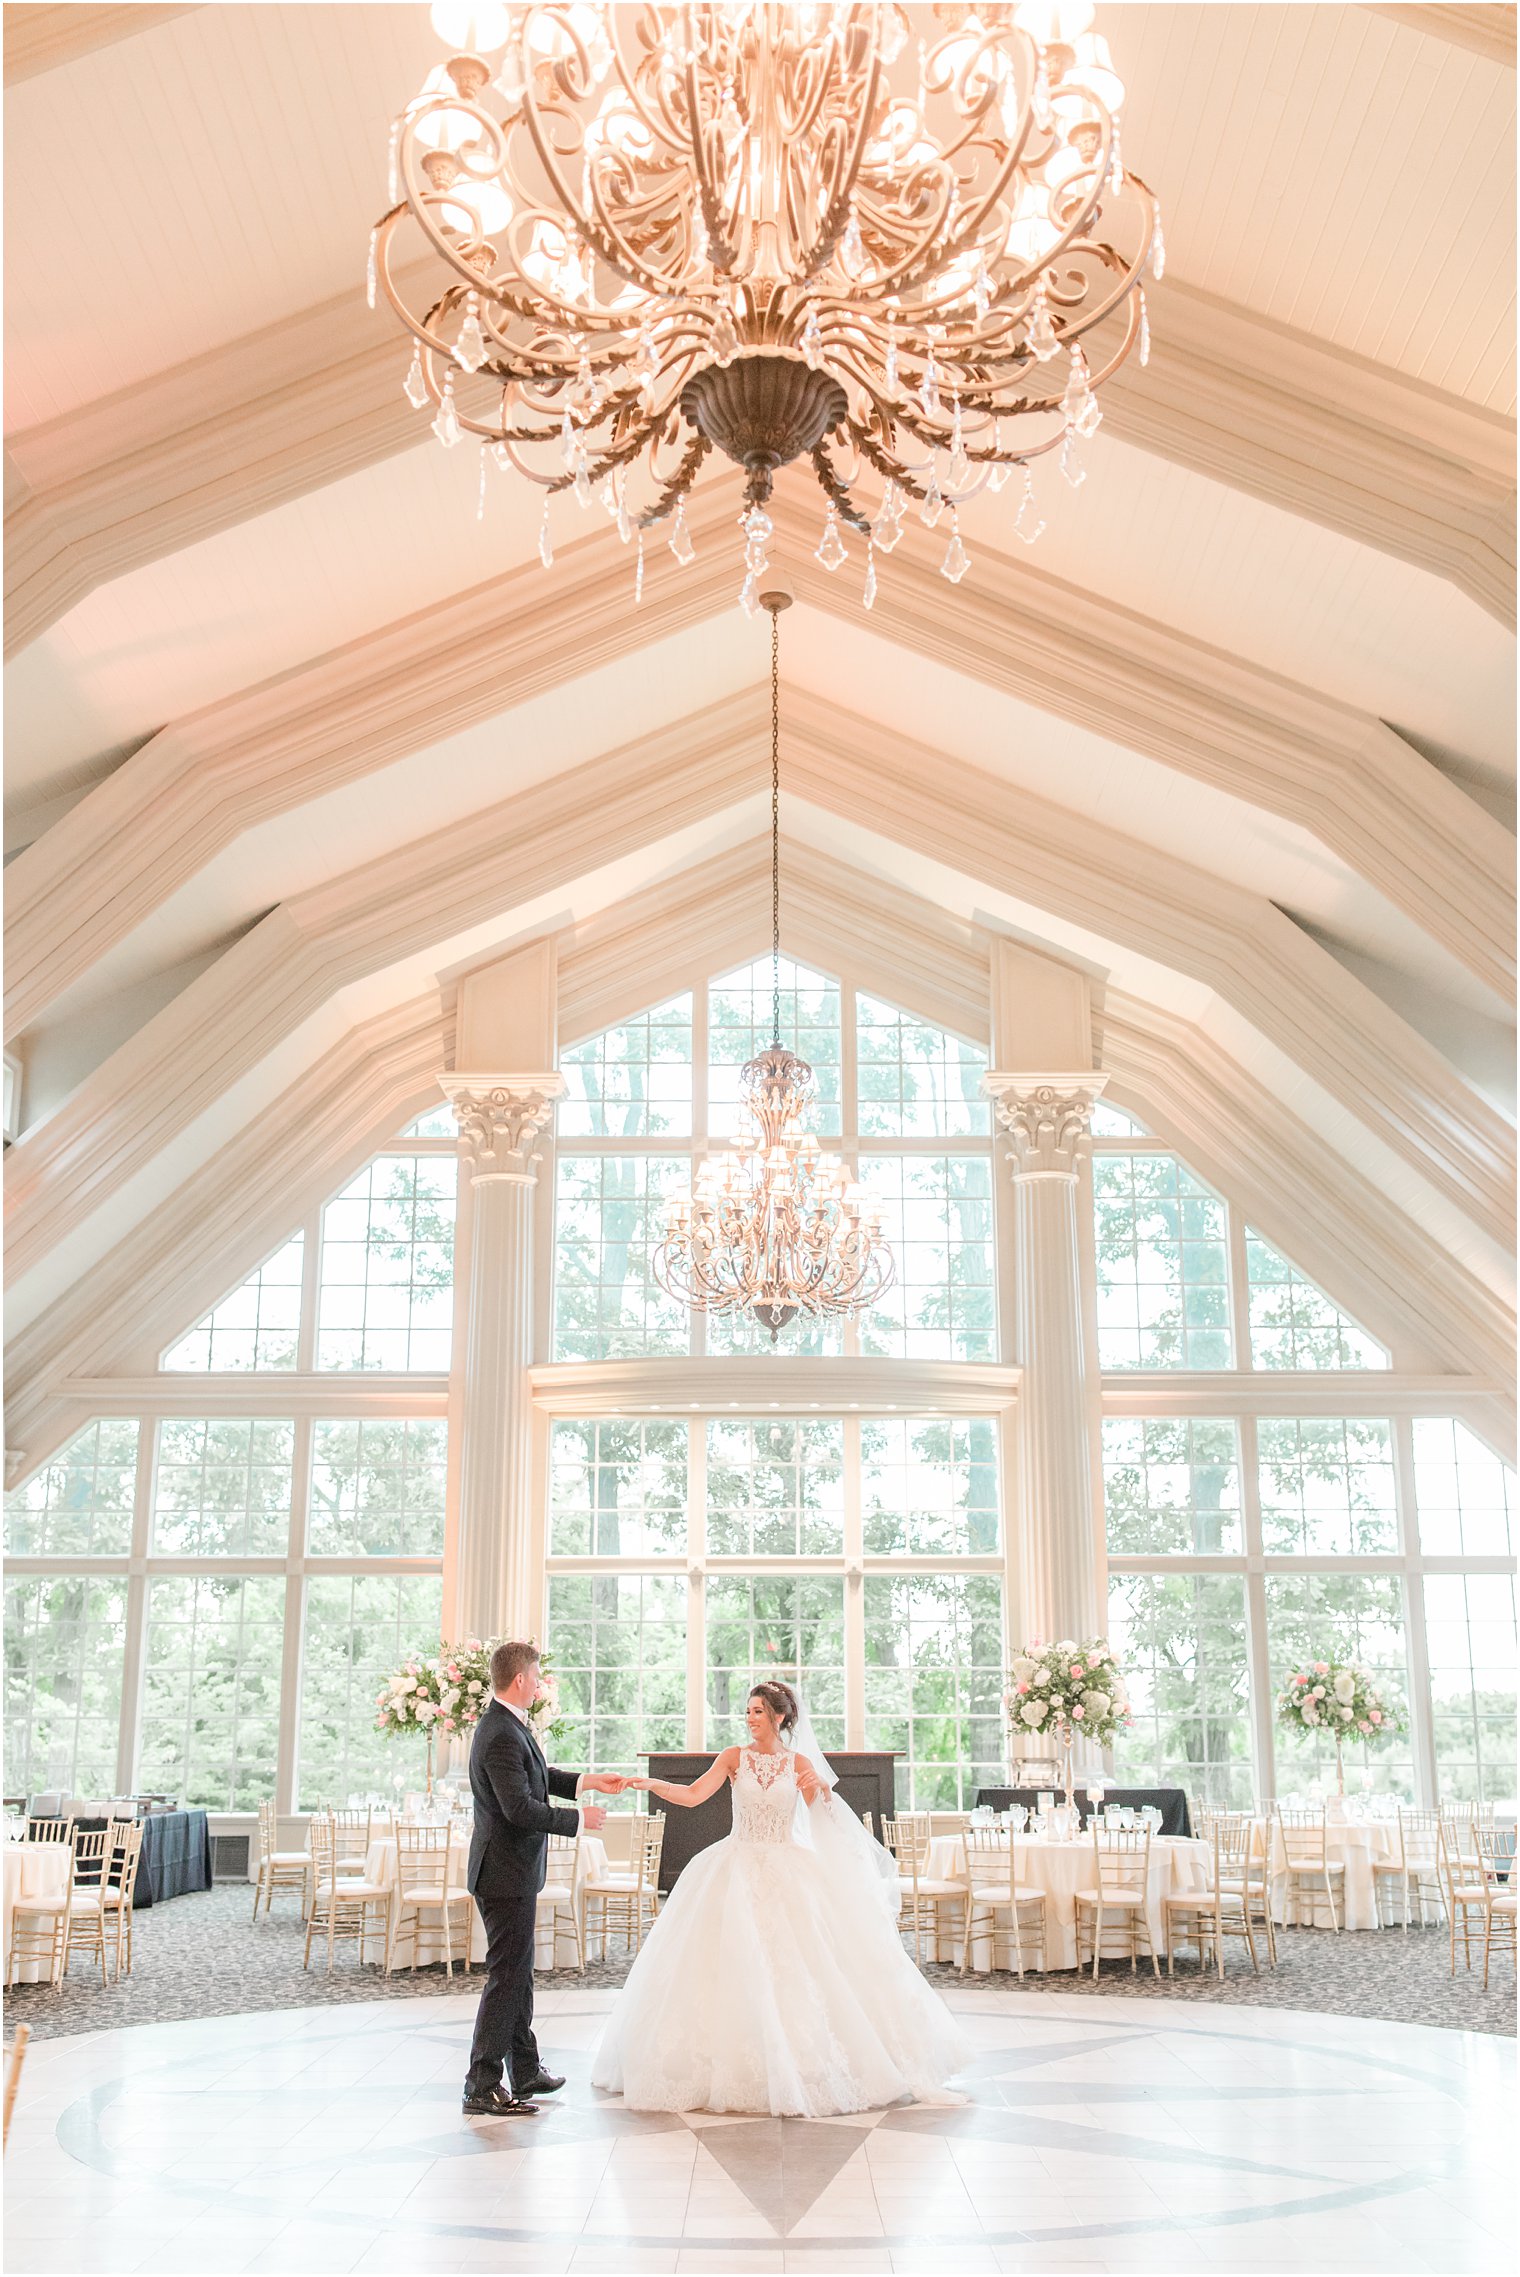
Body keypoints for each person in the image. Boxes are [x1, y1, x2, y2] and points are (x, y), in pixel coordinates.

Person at [590, 1678, 970, 2116]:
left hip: (789, 1868)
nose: (749, 1719)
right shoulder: (734, 1758)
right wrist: (647, 1784)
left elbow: (824, 1820)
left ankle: (807, 2062)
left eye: (757, 1711)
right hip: (736, 1863)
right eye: (747, 1712)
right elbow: (693, 1796)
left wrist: (824, 1792)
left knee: (801, 1968)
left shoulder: (799, 1763)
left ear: (780, 1717)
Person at [462, 1639, 624, 2118]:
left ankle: (525, 2069)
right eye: (536, 1677)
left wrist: (587, 1781)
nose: (539, 1685)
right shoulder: (499, 1733)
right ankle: (482, 2083)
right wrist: (578, 1820)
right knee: (506, 1976)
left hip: (515, 1871)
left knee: (518, 1975)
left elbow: (539, 1775)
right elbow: (518, 1809)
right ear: (519, 1680)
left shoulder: (509, 1725)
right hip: (502, 1873)